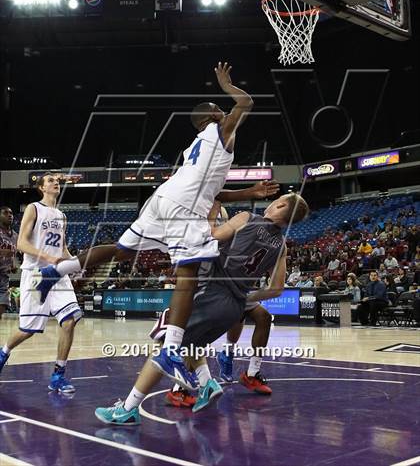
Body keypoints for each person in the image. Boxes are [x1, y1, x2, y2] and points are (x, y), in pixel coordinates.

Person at [33, 62, 270, 388]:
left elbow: (214, 189)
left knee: (120, 250)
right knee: (187, 275)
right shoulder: (219, 132)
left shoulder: (193, 148)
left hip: (163, 200)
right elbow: (246, 104)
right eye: (218, 110)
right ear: (210, 118)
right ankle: (173, 348)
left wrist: (250, 191)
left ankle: (57, 270)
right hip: (185, 208)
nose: (223, 112)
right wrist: (227, 85)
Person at [94, 192, 309, 424]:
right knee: (189, 345)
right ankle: (205, 383)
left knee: (166, 344)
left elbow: (213, 235)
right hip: (234, 307)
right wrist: (244, 295)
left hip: (211, 292)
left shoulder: (247, 217)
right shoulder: (282, 246)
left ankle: (128, 408)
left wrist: (214, 210)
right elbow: (276, 289)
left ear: (280, 204)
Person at [0, 173, 82, 393]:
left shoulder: (62, 215)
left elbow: (62, 248)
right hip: (37, 274)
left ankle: (58, 375)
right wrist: (48, 257)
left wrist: (73, 263)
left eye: (57, 180)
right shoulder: (34, 208)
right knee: (28, 329)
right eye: (50, 180)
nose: (56, 182)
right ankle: (4, 352)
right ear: (41, 188)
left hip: (58, 273)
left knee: (71, 318)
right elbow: (21, 244)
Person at [0, 206, 18, 319]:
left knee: (1, 308)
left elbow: (12, 254)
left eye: (11, 213)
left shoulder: (15, 235)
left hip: (4, 276)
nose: (9, 215)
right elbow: (7, 252)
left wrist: (12, 265)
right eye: (5, 213)